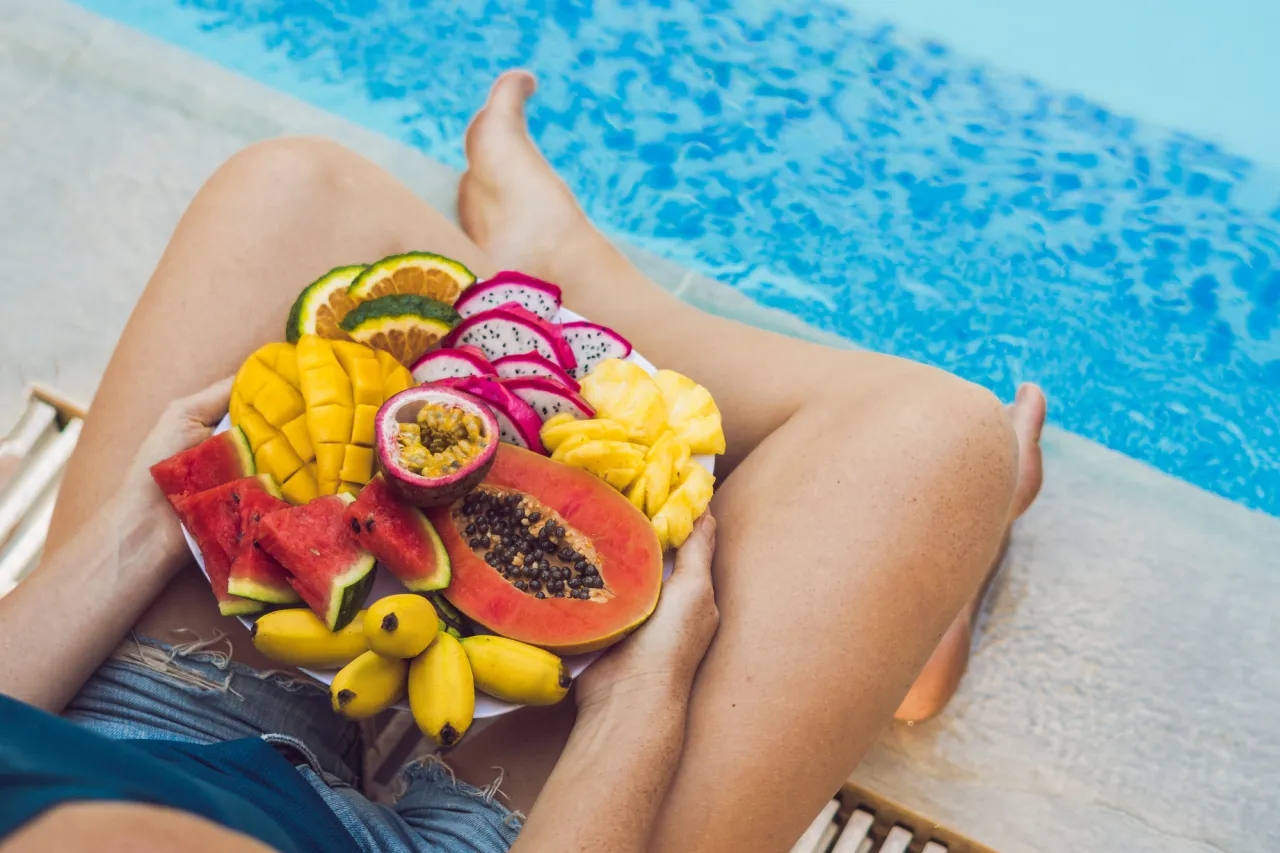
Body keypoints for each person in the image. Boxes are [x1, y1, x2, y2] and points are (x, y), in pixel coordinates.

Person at [0, 71, 1045, 853]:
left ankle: (547, 290)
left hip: (130, 737)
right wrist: (636, 709)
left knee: (298, 193)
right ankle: (573, 289)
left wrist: (145, 524)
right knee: (936, 443)